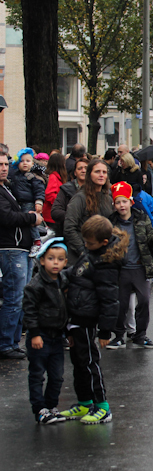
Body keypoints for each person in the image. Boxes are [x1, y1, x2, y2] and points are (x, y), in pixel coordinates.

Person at [60, 215, 127, 425]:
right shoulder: (91, 253)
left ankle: (102, 406)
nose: (86, 246)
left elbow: (109, 299)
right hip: (76, 314)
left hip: (88, 317)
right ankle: (84, 401)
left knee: (89, 363)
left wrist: (106, 331)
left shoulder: (106, 263)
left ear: (104, 242)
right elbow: (77, 272)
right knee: (78, 363)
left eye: (90, 243)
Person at [108, 181, 153, 349]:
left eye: (124, 201)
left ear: (131, 202)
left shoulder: (141, 217)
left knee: (144, 301)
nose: (121, 205)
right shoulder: (111, 222)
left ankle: (140, 335)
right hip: (122, 269)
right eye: (118, 202)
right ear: (114, 205)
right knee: (121, 304)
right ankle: (119, 335)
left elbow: (149, 236)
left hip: (140, 267)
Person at [0, 153, 43, 359]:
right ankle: (6, 344)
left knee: (22, 297)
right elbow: (6, 217)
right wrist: (30, 217)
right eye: (0, 165)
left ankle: (14, 342)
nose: (4, 168)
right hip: (11, 248)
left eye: (6, 164)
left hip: (22, 247)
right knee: (14, 297)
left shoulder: (8, 186)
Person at [23, 237, 69, 423]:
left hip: (57, 336)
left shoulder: (63, 281)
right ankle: (40, 409)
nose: (55, 263)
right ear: (42, 260)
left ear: (65, 262)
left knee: (57, 375)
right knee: (37, 374)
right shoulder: (36, 285)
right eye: (51, 258)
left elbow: (67, 308)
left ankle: (51, 406)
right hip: (40, 335)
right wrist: (34, 333)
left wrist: (69, 333)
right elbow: (29, 310)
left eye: (59, 259)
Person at [63, 159, 114, 266]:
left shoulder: (108, 198)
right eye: (97, 172)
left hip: (101, 257)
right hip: (80, 259)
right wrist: (82, 250)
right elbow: (69, 227)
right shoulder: (80, 198)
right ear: (89, 174)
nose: (101, 175)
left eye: (104, 172)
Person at [11, 148, 46, 252]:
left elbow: (39, 190)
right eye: (22, 161)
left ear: (32, 163)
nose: (24, 163)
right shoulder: (15, 176)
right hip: (19, 203)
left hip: (29, 203)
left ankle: (37, 241)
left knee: (31, 221)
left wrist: (39, 201)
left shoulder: (32, 177)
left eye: (28, 161)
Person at [50, 157, 88, 237]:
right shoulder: (66, 189)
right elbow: (55, 211)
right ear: (75, 173)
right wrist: (75, 216)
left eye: (86, 168)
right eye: (80, 168)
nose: (83, 171)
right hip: (69, 233)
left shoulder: (97, 189)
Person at [43, 152, 68, 233]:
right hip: (51, 216)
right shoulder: (53, 177)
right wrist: (60, 203)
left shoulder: (56, 176)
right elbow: (49, 195)